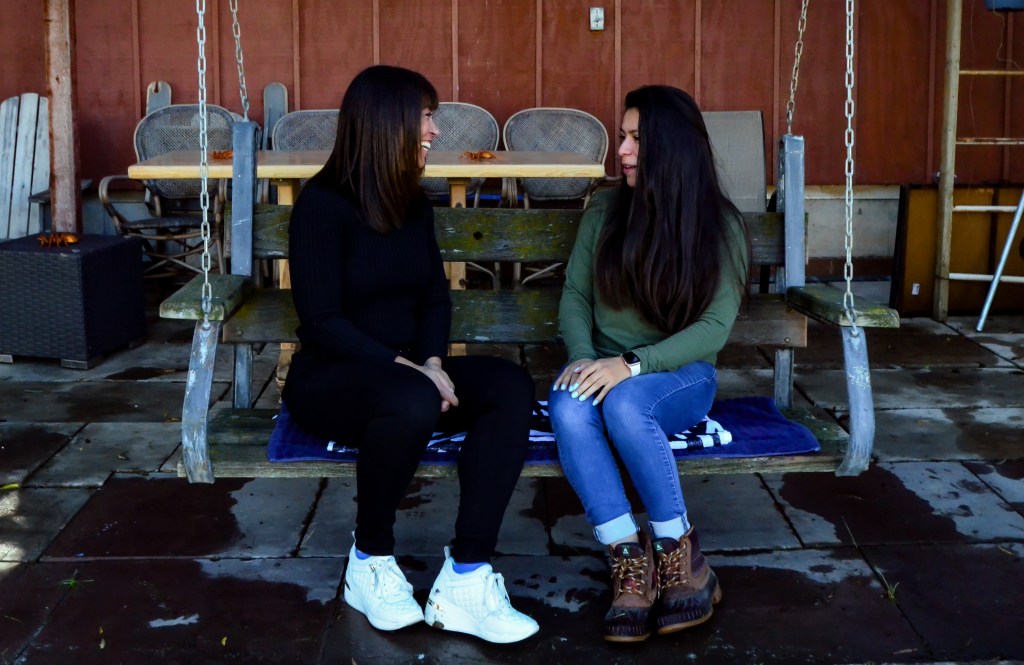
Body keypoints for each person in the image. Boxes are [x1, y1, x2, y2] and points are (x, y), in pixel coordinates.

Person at [281, 65, 539, 644]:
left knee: (509, 386)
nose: (435, 130)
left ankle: (467, 575)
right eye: (426, 116)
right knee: (414, 398)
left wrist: (435, 364)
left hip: (411, 378)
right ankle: (369, 561)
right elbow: (321, 320)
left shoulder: (412, 204)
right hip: (333, 378)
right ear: (386, 122)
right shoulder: (322, 204)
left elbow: (433, 297)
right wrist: (409, 369)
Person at [548, 85, 750, 643]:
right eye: (623, 136)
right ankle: (628, 561)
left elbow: (714, 327)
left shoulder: (719, 225)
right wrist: (584, 358)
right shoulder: (605, 210)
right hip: (606, 367)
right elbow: (575, 296)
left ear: (673, 148)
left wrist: (631, 364)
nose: (622, 150)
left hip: (680, 377)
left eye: (636, 139)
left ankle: (679, 556)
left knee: (626, 406)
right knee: (568, 405)